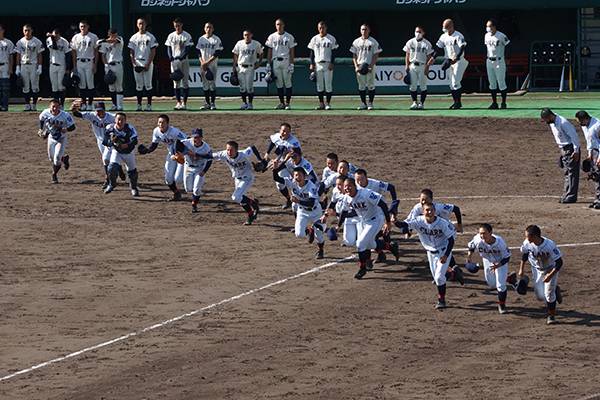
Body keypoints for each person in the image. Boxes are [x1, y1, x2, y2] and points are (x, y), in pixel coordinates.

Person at [396, 202, 458, 309]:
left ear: (434, 211)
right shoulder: (419, 221)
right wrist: (395, 221)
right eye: (426, 210)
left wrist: (446, 255)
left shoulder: (442, 223)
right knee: (437, 277)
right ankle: (453, 273)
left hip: (443, 251)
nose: (429, 212)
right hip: (430, 253)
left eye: (431, 210)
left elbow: (451, 240)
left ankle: (441, 300)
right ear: (423, 211)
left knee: (438, 278)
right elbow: (405, 225)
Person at [331, 177, 393, 279]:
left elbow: (382, 204)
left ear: (355, 186)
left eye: (349, 186)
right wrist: (338, 225)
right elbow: (344, 212)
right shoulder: (347, 197)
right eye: (345, 187)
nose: (347, 189)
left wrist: (388, 221)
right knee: (369, 244)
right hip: (364, 221)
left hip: (376, 219)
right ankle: (390, 247)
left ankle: (362, 268)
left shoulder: (366, 193)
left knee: (360, 243)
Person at [205, 141, 264, 225]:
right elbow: (210, 156)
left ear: (236, 150)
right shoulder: (224, 154)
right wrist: (196, 155)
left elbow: (252, 147)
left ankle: (253, 206)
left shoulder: (244, 154)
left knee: (235, 197)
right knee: (240, 199)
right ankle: (251, 213)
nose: (229, 152)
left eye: (231, 150)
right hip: (237, 179)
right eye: (227, 149)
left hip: (247, 178)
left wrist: (260, 159)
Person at [273, 167, 326, 259]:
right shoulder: (292, 182)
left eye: (300, 175)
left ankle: (320, 250)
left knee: (319, 236)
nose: (297, 177)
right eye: (296, 175)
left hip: (315, 212)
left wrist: (298, 201)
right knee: (299, 234)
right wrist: (275, 169)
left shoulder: (311, 186)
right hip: (302, 211)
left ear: (305, 176)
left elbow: (311, 203)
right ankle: (309, 230)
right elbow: (277, 178)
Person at [71, 100, 123, 189]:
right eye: (97, 111)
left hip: (111, 141)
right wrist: (73, 109)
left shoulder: (111, 117)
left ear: (104, 110)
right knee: (107, 159)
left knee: (106, 159)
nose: (99, 113)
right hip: (100, 141)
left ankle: (108, 179)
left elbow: (122, 122)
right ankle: (118, 169)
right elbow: (78, 114)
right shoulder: (92, 115)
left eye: (101, 110)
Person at [518, 225, 564, 325]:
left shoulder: (550, 245)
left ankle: (551, 316)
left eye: (528, 236)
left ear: (535, 236)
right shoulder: (527, 243)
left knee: (548, 294)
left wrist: (550, 276)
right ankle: (555, 290)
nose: (526, 239)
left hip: (550, 269)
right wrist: (521, 269)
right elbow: (525, 254)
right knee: (540, 296)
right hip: (537, 269)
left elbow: (559, 262)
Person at [466, 223, 516, 314]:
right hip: (487, 261)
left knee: (500, 286)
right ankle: (509, 279)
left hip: (500, 262)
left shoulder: (500, 243)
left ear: (490, 233)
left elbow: (507, 257)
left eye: (484, 233)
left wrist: (498, 265)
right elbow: (471, 246)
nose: (482, 235)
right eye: (480, 233)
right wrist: (469, 256)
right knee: (492, 284)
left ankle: (502, 306)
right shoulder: (478, 239)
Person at [137, 114, 188, 201]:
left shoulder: (174, 131)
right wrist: (147, 150)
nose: (161, 124)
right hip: (171, 155)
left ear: (168, 123)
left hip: (182, 155)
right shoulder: (156, 131)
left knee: (178, 179)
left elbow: (187, 141)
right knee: (168, 179)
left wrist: (180, 153)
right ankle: (176, 193)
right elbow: (154, 144)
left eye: (163, 122)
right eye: (159, 122)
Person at [541, 108, 580, 203]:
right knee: (567, 173)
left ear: (550, 116)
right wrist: (562, 153)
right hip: (564, 149)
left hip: (570, 148)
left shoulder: (563, 122)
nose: (545, 121)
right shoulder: (552, 122)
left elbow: (574, 136)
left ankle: (570, 196)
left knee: (571, 173)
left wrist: (576, 151)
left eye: (545, 119)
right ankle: (567, 194)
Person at [171, 128, 212, 213]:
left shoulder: (206, 147)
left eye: (198, 137)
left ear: (201, 137)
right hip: (188, 167)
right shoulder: (186, 142)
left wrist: (204, 171)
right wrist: (175, 154)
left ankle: (194, 204)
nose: (196, 139)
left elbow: (210, 159)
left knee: (196, 189)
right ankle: (196, 194)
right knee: (188, 189)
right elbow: (176, 144)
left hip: (200, 168)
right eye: (195, 137)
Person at [37, 99, 76, 183]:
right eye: (53, 106)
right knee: (51, 158)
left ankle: (54, 175)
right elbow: (41, 119)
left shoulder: (65, 115)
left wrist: (66, 129)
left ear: (60, 107)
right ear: (50, 106)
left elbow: (73, 127)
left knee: (56, 158)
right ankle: (64, 159)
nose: (55, 108)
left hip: (61, 138)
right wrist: (41, 129)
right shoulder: (45, 112)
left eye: (57, 107)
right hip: (51, 137)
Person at [103, 112, 140, 197]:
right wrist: (111, 142)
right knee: (111, 168)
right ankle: (112, 184)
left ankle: (134, 188)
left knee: (132, 171)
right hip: (117, 152)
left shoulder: (130, 128)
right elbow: (105, 141)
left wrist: (126, 145)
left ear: (125, 121)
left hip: (128, 152)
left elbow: (135, 141)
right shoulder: (110, 128)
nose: (120, 121)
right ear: (115, 120)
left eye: (122, 120)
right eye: (118, 119)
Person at [435, 19, 468, 109]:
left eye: (446, 27)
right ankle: (456, 102)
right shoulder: (443, 36)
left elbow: (462, 48)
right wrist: (432, 59)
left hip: (459, 61)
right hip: (449, 61)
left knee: (455, 82)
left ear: (451, 26)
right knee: (451, 84)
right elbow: (438, 48)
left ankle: (458, 102)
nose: (444, 29)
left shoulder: (458, 35)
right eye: (443, 27)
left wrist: (456, 58)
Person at [265, 18, 297, 110]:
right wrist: (268, 63)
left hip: (286, 60)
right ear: (275, 26)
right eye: (277, 24)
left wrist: (292, 64)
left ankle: (288, 103)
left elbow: (292, 51)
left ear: (284, 25)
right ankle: (281, 103)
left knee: (287, 82)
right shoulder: (272, 37)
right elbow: (269, 51)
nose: (279, 26)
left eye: (280, 24)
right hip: (275, 61)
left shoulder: (289, 37)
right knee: (279, 83)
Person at [128, 18, 158, 111]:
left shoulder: (150, 37)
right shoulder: (134, 37)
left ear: (146, 25)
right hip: (137, 61)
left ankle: (149, 105)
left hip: (147, 61)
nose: (141, 25)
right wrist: (133, 64)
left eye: (143, 23)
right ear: (137, 25)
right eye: (139, 23)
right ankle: (139, 105)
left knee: (148, 85)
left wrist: (148, 63)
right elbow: (131, 52)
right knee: (139, 85)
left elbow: (153, 51)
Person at [308, 21, 338, 110]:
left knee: (328, 85)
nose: (321, 29)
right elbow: (311, 53)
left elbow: (334, 52)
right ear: (318, 28)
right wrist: (311, 63)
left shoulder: (331, 38)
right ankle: (321, 104)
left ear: (326, 28)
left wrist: (332, 63)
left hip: (327, 63)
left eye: (323, 27)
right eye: (320, 28)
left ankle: (328, 103)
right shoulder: (314, 39)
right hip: (318, 64)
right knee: (319, 85)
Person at [350, 24, 382, 111]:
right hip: (360, 66)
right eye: (362, 29)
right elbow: (354, 55)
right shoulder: (356, 42)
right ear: (360, 30)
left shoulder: (373, 41)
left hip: (369, 66)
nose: (364, 31)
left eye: (366, 29)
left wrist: (371, 65)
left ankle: (370, 103)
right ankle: (363, 103)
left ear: (369, 30)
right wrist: (356, 66)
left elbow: (376, 54)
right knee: (361, 86)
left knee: (371, 85)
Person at [165, 18, 194, 110]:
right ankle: (178, 102)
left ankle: (184, 103)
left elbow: (188, 48)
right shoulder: (171, 36)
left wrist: (181, 57)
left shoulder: (186, 35)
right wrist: (170, 58)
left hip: (183, 60)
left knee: (185, 82)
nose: (177, 27)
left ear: (181, 25)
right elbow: (168, 47)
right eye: (175, 26)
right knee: (176, 82)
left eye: (178, 25)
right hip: (174, 61)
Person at [403, 26, 434, 110]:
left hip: (422, 65)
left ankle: (421, 103)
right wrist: (406, 65)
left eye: (420, 32)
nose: (417, 33)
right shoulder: (410, 42)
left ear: (423, 33)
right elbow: (407, 55)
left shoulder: (427, 43)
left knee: (423, 86)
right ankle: (414, 102)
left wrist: (427, 67)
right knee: (413, 86)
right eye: (416, 31)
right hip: (412, 65)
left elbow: (429, 57)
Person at [70, 20, 98, 111]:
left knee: (90, 84)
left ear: (88, 26)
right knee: (81, 84)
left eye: (84, 26)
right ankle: (83, 104)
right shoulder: (75, 37)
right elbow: (73, 52)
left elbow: (96, 51)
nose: (83, 28)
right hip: (79, 61)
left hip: (89, 61)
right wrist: (74, 66)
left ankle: (90, 103)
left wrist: (95, 64)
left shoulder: (93, 37)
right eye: (81, 26)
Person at [232, 29, 263, 110]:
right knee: (242, 87)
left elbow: (261, 52)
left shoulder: (256, 43)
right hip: (240, 66)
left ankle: (250, 104)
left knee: (249, 87)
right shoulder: (239, 43)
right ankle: (244, 103)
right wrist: (234, 67)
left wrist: (259, 63)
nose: (246, 36)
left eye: (248, 34)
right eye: (245, 35)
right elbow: (235, 54)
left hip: (250, 67)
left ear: (251, 35)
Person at [15, 24, 44, 111]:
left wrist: (40, 66)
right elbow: (18, 55)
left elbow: (39, 54)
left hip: (33, 65)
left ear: (32, 31)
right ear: (23, 31)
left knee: (35, 86)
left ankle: (34, 104)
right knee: (25, 86)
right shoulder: (20, 42)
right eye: (25, 30)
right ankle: (27, 104)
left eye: (28, 30)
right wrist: (17, 67)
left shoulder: (37, 41)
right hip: (24, 65)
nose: (27, 32)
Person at [575, 110, 600, 209]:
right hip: (593, 153)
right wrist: (589, 155)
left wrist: (599, 158)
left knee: (599, 176)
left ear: (586, 118)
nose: (580, 124)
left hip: (598, 152)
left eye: (580, 121)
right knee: (595, 176)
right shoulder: (585, 126)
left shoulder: (597, 125)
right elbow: (589, 141)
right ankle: (597, 199)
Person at [196, 22, 223, 110]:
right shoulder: (201, 39)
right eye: (207, 27)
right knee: (205, 85)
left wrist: (207, 62)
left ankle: (213, 103)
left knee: (212, 84)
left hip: (212, 64)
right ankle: (207, 103)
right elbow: (198, 52)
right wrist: (202, 62)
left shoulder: (216, 39)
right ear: (204, 28)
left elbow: (217, 53)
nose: (208, 29)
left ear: (213, 29)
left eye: (210, 27)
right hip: (203, 64)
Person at [484, 19, 510, 109]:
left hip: (499, 60)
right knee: (492, 83)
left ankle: (503, 103)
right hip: (489, 60)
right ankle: (494, 103)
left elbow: (508, 46)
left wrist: (507, 58)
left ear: (494, 26)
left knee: (501, 83)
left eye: (489, 26)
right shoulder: (486, 36)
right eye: (487, 26)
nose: (488, 28)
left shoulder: (501, 35)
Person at [98, 28, 125, 111]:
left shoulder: (119, 39)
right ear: (109, 34)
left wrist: (103, 40)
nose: (113, 36)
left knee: (119, 86)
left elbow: (114, 41)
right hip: (109, 65)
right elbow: (103, 55)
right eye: (111, 34)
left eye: (114, 34)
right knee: (111, 87)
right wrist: (106, 65)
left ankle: (120, 105)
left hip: (118, 64)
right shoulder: (105, 44)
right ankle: (114, 104)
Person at [45, 28, 71, 107]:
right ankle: (56, 105)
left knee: (61, 86)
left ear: (59, 34)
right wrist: (52, 38)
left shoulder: (64, 41)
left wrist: (67, 68)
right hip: (52, 64)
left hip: (61, 65)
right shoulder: (49, 39)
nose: (55, 36)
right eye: (54, 35)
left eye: (56, 35)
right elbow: (54, 47)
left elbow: (68, 55)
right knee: (54, 86)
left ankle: (61, 105)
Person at [0, 24, 15, 112]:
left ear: (3, 30)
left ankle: (5, 106)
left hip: (5, 65)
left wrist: (10, 68)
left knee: (5, 87)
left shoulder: (8, 42)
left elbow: (11, 56)